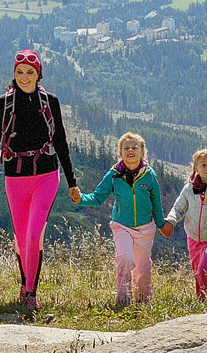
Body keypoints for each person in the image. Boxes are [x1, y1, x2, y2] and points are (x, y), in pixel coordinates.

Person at [0, 49, 79, 311]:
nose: (24, 77)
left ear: (39, 74)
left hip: (47, 176)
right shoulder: (4, 103)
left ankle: (31, 293)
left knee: (34, 235)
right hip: (15, 178)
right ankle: (25, 282)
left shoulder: (50, 102)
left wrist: (72, 181)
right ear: (14, 74)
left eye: (30, 72)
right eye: (19, 72)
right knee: (21, 238)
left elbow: (60, 142)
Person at [73, 132, 162, 308]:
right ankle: (122, 298)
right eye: (126, 148)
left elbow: (156, 203)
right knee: (125, 258)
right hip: (122, 226)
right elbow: (98, 197)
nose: (130, 150)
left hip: (145, 228)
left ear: (142, 152)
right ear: (120, 152)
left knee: (143, 266)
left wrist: (161, 224)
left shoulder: (150, 175)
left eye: (134, 147)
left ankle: (144, 299)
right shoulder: (113, 175)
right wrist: (80, 198)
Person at [160, 147, 207, 301]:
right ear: (196, 169)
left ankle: (206, 301)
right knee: (197, 272)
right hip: (193, 238)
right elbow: (178, 208)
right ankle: (204, 299)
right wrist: (170, 221)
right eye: (204, 165)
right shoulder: (189, 189)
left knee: (204, 270)